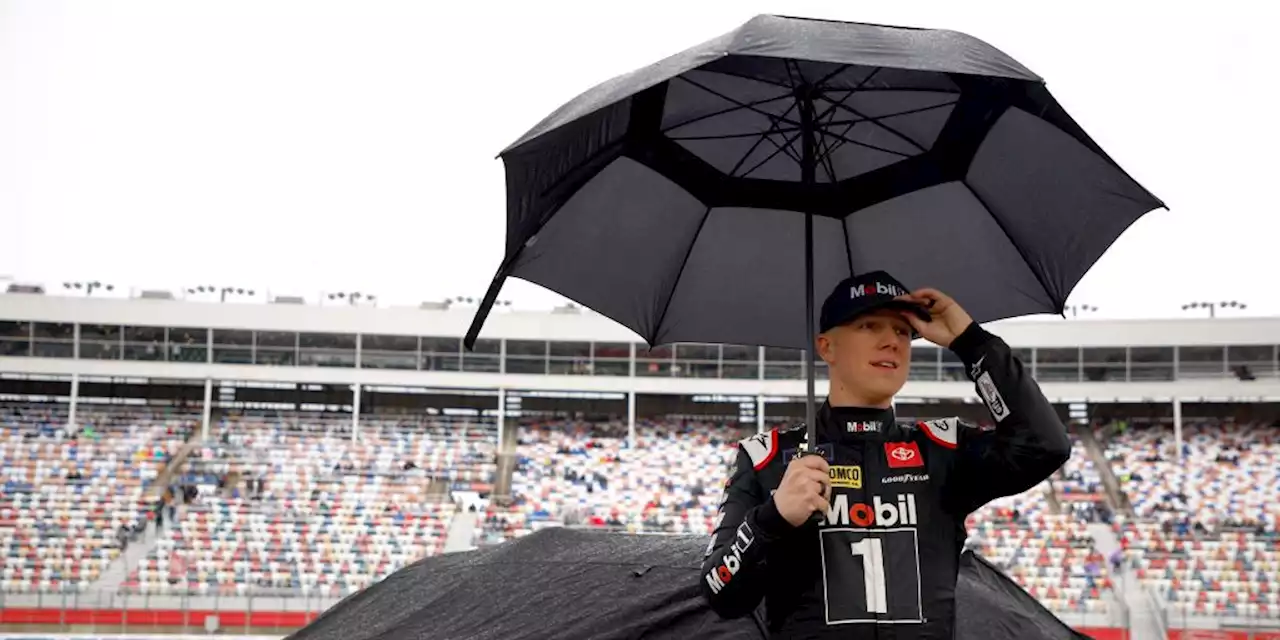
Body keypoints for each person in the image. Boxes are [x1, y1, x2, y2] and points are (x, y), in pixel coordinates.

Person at [700, 271, 1071, 639]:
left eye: (902, 331)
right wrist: (773, 519)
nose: (891, 342)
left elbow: (1044, 445)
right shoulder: (768, 458)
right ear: (826, 347)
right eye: (869, 326)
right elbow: (721, 593)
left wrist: (970, 341)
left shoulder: (941, 451)